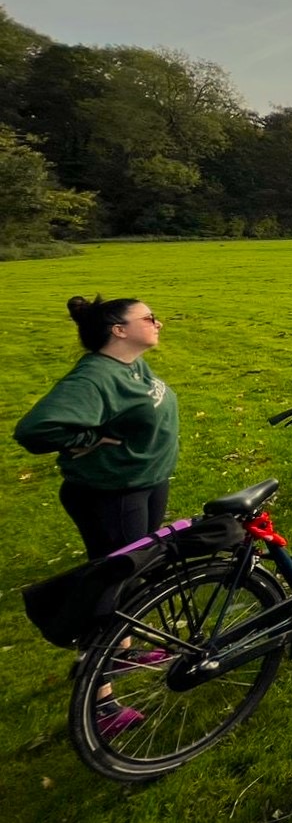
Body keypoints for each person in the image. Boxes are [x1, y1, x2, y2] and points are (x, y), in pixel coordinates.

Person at [14, 295, 180, 740]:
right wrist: (89, 439)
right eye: (148, 318)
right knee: (110, 589)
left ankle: (121, 654)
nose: (158, 322)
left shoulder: (131, 365)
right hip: (112, 495)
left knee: (129, 580)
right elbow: (35, 428)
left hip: (142, 484)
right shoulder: (94, 377)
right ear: (118, 330)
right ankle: (100, 700)